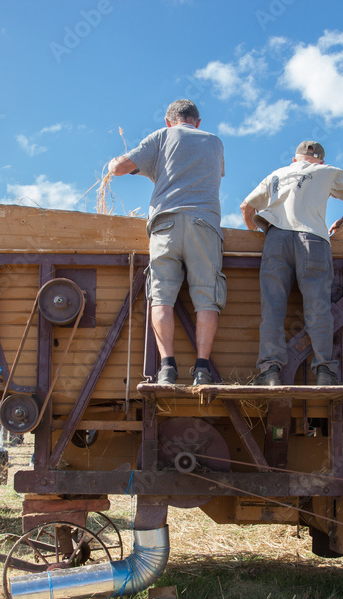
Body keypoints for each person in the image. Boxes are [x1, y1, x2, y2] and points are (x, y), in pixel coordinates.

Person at [109, 99, 226, 386]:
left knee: (161, 296)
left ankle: (167, 368)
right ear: (197, 122)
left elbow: (120, 169)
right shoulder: (215, 142)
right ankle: (201, 369)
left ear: (167, 120)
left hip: (166, 225)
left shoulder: (162, 136)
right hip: (205, 224)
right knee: (207, 297)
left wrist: (113, 163)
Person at [240, 141, 343, 386]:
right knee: (317, 307)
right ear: (320, 161)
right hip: (313, 239)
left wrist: (255, 234)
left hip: (275, 240)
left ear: (295, 160)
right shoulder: (328, 171)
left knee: (273, 309)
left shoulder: (276, 175)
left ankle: (270, 372)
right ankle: (324, 371)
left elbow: (246, 207)